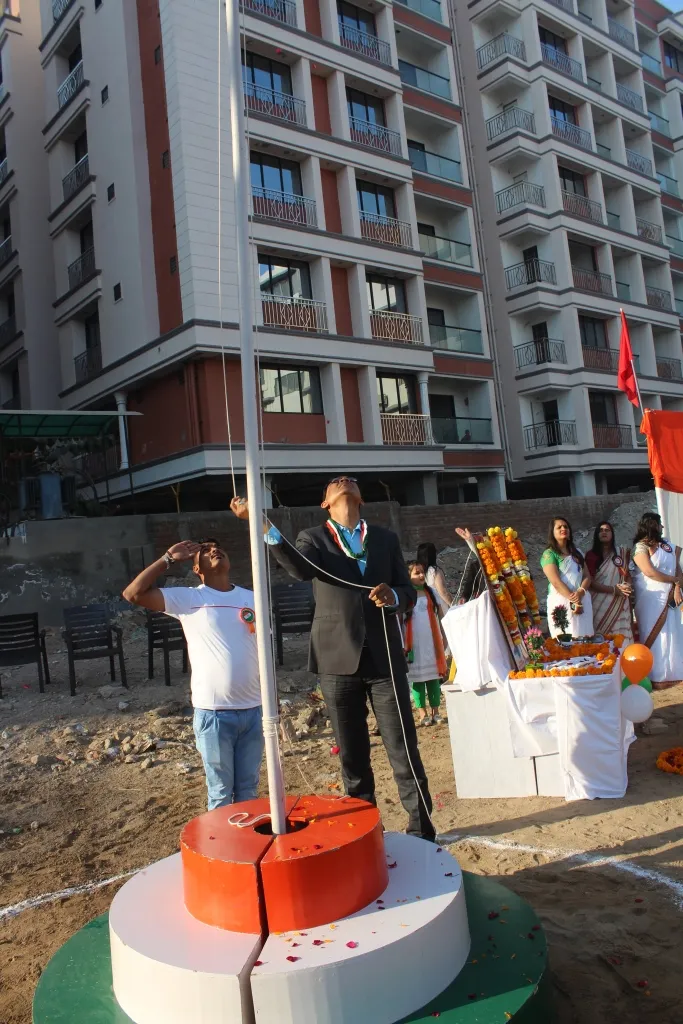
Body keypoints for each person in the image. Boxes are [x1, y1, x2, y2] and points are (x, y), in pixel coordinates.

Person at [230, 477, 435, 841]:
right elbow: (299, 568)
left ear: (361, 497)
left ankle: (423, 830)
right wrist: (262, 525)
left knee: (403, 748)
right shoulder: (314, 538)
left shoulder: (385, 539)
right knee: (353, 758)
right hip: (336, 660)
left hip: (385, 659)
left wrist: (396, 597)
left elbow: (409, 591)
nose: (343, 482)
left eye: (350, 481)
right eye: (334, 483)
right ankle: (365, 834)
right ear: (326, 503)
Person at [122, 538, 263, 810]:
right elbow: (133, 594)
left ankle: (247, 850)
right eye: (205, 551)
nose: (214, 551)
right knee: (221, 794)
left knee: (248, 791)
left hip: (253, 710)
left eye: (217, 547)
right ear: (197, 569)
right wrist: (168, 558)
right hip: (214, 714)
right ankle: (223, 850)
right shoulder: (190, 598)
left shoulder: (252, 598)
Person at [631, 512, 683, 690]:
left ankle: (675, 674)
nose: (662, 527)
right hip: (651, 598)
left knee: (673, 632)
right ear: (651, 524)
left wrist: (677, 587)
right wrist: (673, 581)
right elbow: (649, 572)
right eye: (659, 523)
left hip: (671, 598)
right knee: (655, 634)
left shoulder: (667, 545)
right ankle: (654, 675)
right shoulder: (640, 547)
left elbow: (677, 569)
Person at [404, 561, 448, 726]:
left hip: (431, 642)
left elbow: (442, 616)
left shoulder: (432, 593)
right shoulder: (406, 596)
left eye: (422, 572)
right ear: (408, 577)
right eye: (416, 573)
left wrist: (445, 636)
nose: (421, 575)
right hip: (413, 644)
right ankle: (422, 713)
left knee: (433, 678)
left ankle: (436, 712)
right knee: (417, 680)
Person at [541, 517, 593, 637]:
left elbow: (587, 576)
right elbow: (555, 581)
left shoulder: (578, 552)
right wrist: (574, 600)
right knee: (565, 639)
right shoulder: (549, 554)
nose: (563, 528)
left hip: (582, 599)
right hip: (561, 601)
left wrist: (580, 594)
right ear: (552, 533)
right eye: (559, 527)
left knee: (585, 638)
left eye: (566, 526)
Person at [585, 521, 634, 641]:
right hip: (599, 602)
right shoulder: (591, 555)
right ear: (597, 534)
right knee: (602, 638)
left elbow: (628, 575)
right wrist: (613, 590)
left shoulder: (621, 553)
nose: (604, 532)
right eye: (601, 530)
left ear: (612, 534)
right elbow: (589, 581)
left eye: (607, 530)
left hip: (620, 601)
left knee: (622, 638)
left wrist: (627, 585)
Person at [416, 542, 452, 616]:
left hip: (422, 606)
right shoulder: (434, 571)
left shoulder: (416, 571)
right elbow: (443, 592)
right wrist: (454, 605)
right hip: (438, 606)